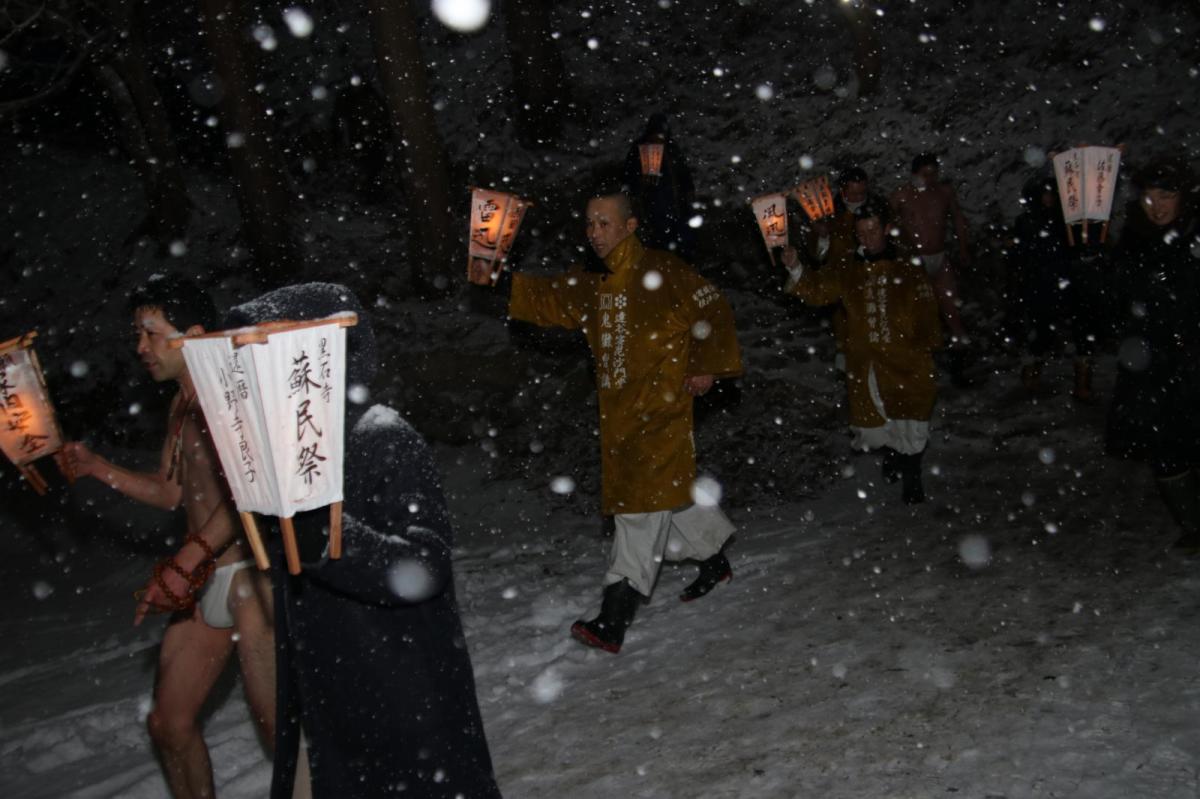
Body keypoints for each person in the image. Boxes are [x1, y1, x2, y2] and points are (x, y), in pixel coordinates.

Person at [221, 283, 501, 798]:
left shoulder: (383, 437)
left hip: (406, 692)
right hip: (337, 699)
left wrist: (330, 540)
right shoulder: (287, 458)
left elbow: (424, 564)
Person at [469, 188, 743, 654]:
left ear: (630, 225)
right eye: (590, 224)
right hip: (619, 416)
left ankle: (614, 617)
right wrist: (494, 275)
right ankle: (715, 561)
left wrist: (708, 364)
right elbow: (547, 297)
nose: (594, 233)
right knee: (669, 494)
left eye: (604, 223)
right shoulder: (592, 283)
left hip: (661, 410)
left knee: (637, 509)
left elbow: (712, 306)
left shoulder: (664, 271)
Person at [61, 274, 276, 799]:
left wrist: (186, 560)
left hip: (251, 572)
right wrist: (96, 468)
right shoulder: (181, 404)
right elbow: (170, 492)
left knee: (279, 727)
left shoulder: (228, 393)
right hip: (206, 575)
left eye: (151, 333)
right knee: (168, 724)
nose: (140, 348)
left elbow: (247, 491)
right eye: (138, 334)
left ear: (192, 334)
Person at [783, 199, 943, 504]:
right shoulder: (849, 269)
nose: (867, 238)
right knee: (877, 424)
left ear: (885, 229)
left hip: (906, 359)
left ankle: (912, 475)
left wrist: (924, 345)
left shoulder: (908, 268)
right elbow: (819, 290)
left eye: (872, 231)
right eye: (861, 233)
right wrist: (796, 267)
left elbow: (926, 310)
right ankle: (895, 453)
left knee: (912, 418)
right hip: (867, 361)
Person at [1105, 161, 1200, 552]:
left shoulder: (1195, 233)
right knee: (1164, 446)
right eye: (1149, 196)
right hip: (1151, 359)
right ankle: (1194, 525)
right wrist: (1096, 270)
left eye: (1166, 195)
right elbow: (1117, 298)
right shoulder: (1134, 236)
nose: (1156, 205)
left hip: (1194, 353)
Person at [1007, 174, 1107, 400]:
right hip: (1042, 282)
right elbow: (1020, 253)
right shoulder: (1027, 221)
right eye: (1044, 194)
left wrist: (1087, 245)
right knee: (1041, 330)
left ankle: (1083, 383)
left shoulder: (1068, 220)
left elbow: (1081, 246)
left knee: (1082, 330)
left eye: (1052, 194)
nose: (1049, 199)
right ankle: (1031, 374)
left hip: (1070, 280)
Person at [888, 152, 972, 385]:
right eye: (925, 175)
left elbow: (958, 220)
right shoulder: (902, 195)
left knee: (952, 312)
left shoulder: (944, 193)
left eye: (934, 174)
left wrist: (964, 249)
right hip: (914, 261)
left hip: (939, 257)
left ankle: (958, 367)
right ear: (915, 175)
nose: (930, 179)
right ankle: (917, 367)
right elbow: (886, 224)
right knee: (918, 314)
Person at [622, 113, 697, 260]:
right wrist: (637, 190)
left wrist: (688, 189)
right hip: (656, 201)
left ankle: (682, 265)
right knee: (662, 236)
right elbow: (630, 176)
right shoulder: (642, 149)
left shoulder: (671, 148)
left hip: (675, 202)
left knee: (681, 236)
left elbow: (683, 172)